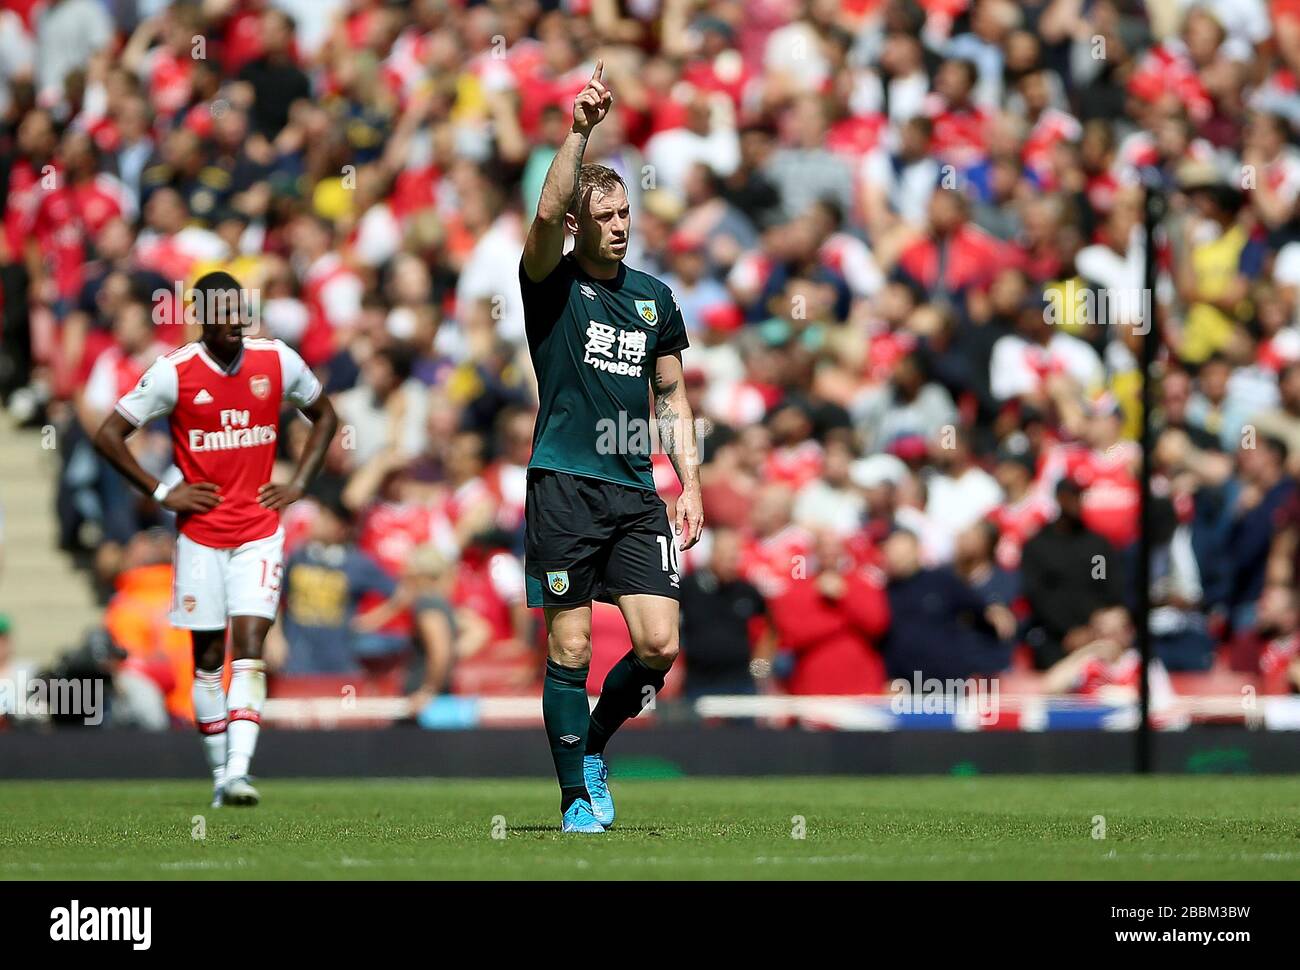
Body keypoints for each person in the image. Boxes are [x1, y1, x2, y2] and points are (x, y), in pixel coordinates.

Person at [518, 61, 703, 833]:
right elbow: (547, 207)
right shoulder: (549, 282)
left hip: (634, 492)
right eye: (606, 215)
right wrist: (581, 128)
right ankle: (572, 802)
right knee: (569, 645)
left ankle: (593, 746)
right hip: (563, 481)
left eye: (628, 212)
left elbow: (671, 395)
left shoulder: (656, 298)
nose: (622, 224)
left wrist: (687, 483)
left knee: (658, 645)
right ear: (578, 224)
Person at [92, 271, 338, 807]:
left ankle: (239, 772)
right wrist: (162, 491)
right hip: (200, 538)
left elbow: (324, 416)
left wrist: (298, 482)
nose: (231, 324)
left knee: (248, 649)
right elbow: (108, 434)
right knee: (207, 659)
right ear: (200, 315)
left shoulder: (276, 361)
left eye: (238, 313)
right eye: (220, 314)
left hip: (258, 533)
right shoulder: (173, 373)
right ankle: (219, 774)